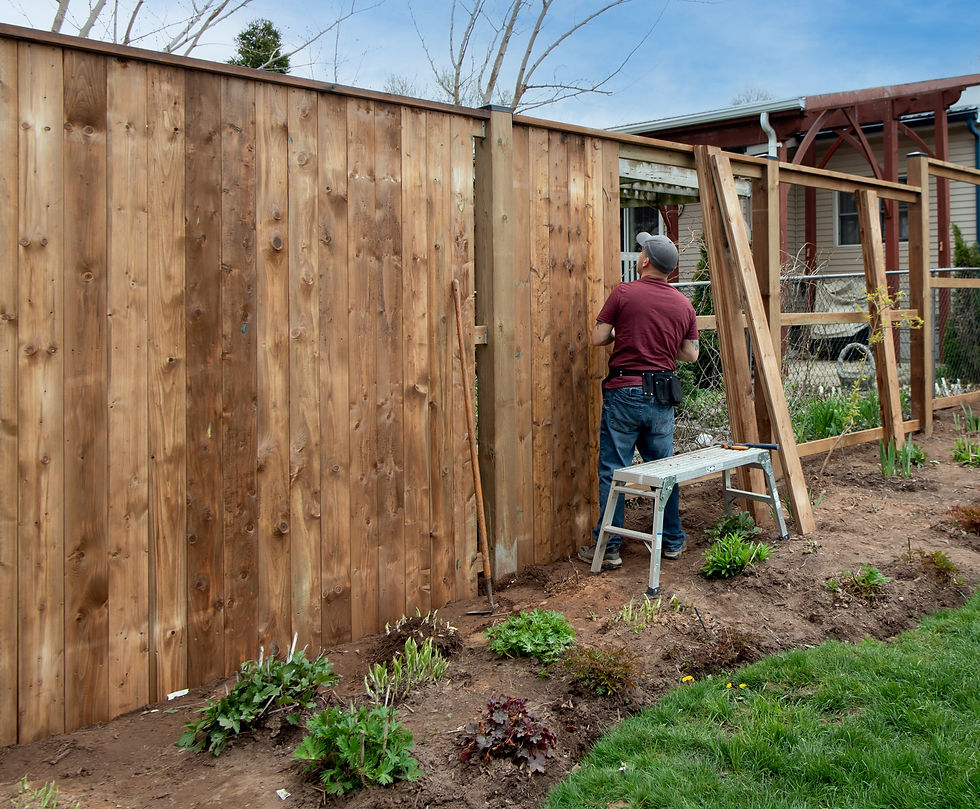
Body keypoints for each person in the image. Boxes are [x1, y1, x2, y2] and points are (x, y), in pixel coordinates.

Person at [578, 232, 699, 570]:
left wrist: (626, 331)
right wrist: (663, 338)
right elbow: (691, 354)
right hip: (661, 395)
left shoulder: (625, 292)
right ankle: (673, 541)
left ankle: (609, 547)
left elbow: (599, 336)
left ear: (645, 260)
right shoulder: (683, 303)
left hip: (625, 390)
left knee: (614, 471)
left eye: (642, 250)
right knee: (665, 471)